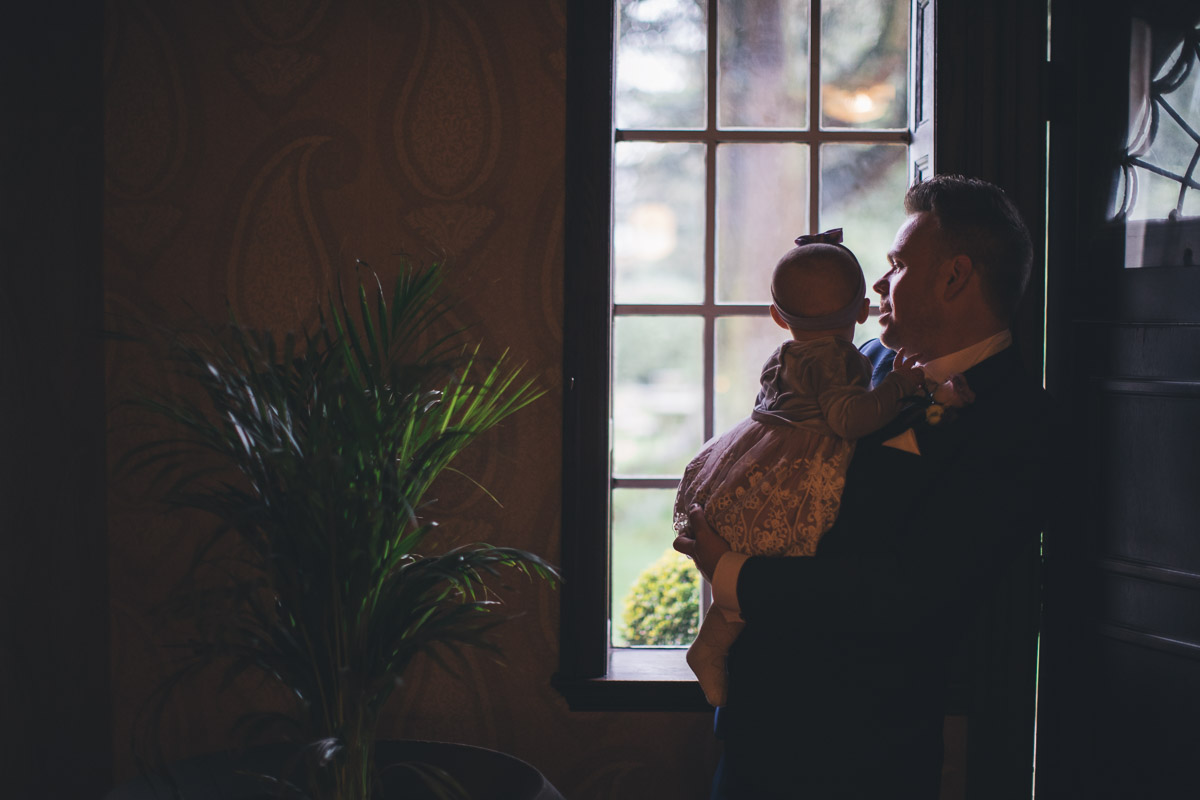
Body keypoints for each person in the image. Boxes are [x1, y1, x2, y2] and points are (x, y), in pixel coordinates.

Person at [674, 175, 1055, 799]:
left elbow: (913, 593)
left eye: (898, 264)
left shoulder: (1016, 422)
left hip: (859, 754)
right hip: (753, 727)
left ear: (955, 277)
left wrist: (731, 571)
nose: (878, 284)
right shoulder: (862, 363)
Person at [674, 229, 927, 706]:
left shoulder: (786, 352)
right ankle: (712, 646)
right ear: (861, 312)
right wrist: (896, 388)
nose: (882, 283)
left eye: (897, 266)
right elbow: (847, 419)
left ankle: (711, 645)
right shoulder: (843, 360)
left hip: (759, 458)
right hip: (802, 470)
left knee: (754, 553)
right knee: (786, 546)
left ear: (777, 315)